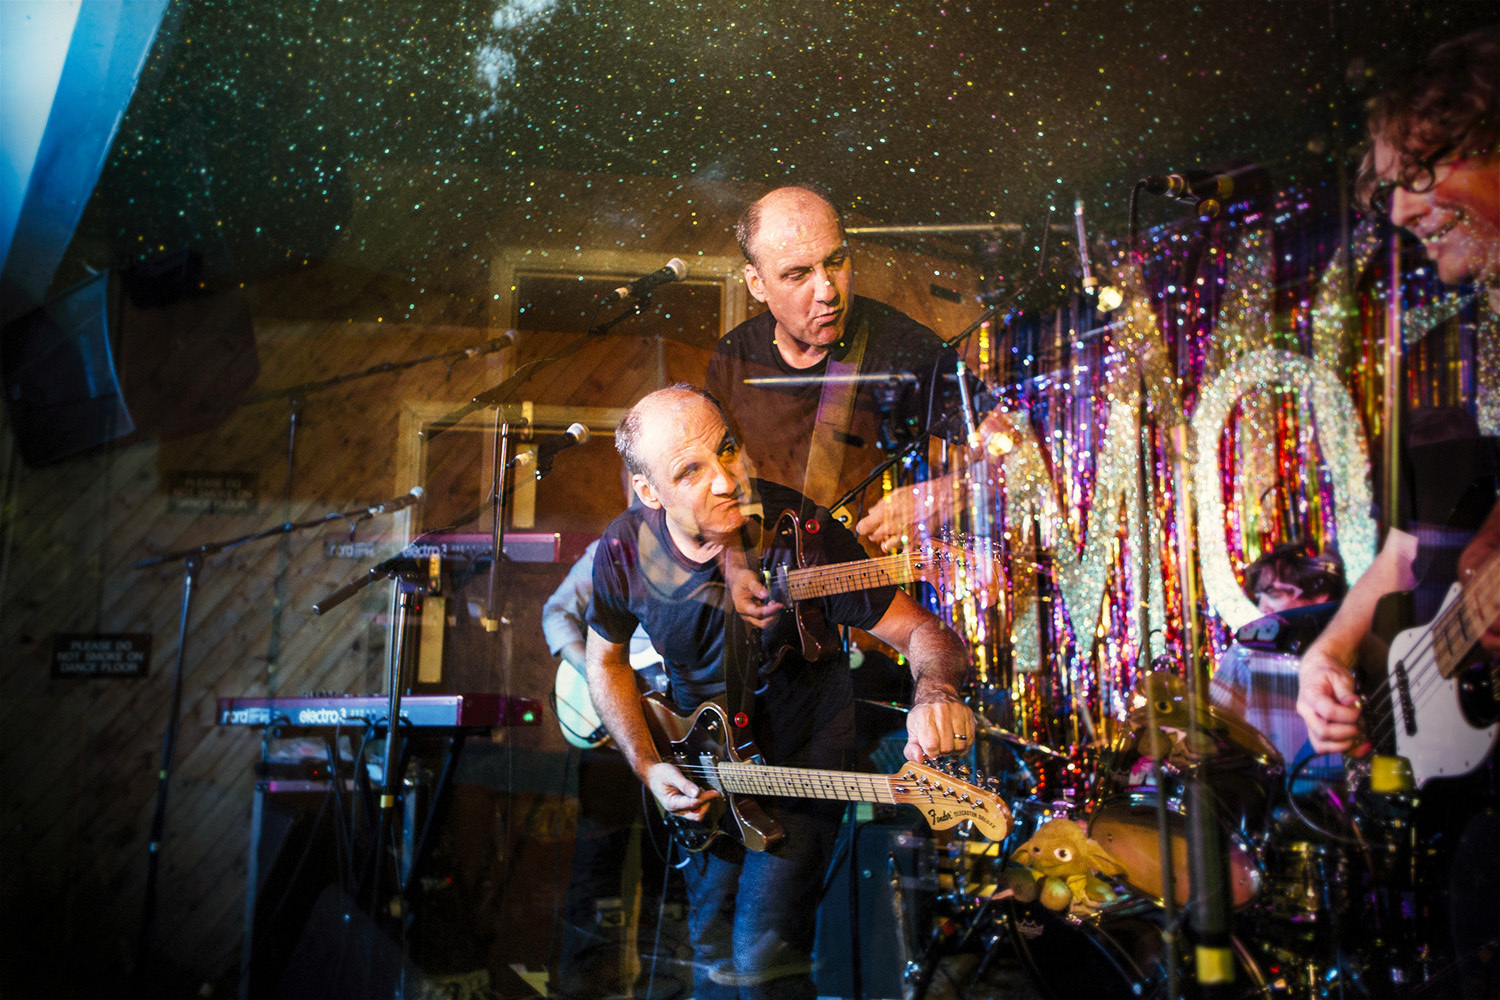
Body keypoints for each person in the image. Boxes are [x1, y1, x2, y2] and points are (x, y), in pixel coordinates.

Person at [584, 386, 975, 1000]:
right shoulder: (623, 549)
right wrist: (649, 765)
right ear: (650, 493)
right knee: (711, 964)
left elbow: (925, 632)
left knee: (761, 966)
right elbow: (604, 659)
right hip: (706, 775)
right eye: (691, 470)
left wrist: (936, 691)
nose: (726, 480)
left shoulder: (803, 535)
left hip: (801, 770)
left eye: (729, 451)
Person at [1298, 25, 1500, 756]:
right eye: (1389, 188)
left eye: (1418, 172)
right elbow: (1416, 542)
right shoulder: (1483, 334)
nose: (1400, 213)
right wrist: (1328, 653)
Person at [705, 186, 975, 547]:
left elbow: (1020, 447)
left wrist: (944, 495)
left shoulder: (905, 349)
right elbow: (709, 480)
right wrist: (736, 567)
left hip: (880, 584)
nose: (827, 291)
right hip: (779, 584)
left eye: (835, 261)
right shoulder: (735, 356)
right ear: (757, 284)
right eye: (798, 274)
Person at [543, 532, 682, 1000]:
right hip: (608, 734)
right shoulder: (615, 546)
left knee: (673, 865)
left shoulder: (711, 546)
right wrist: (597, 675)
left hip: (676, 732)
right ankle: (584, 987)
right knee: (597, 864)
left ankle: (668, 987)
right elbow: (556, 611)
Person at [1209, 544, 1346, 780]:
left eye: (1273, 594)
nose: (1263, 607)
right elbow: (1213, 731)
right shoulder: (1247, 655)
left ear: (1319, 592)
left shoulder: (1361, 649)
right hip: (1267, 801)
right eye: (1259, 597)